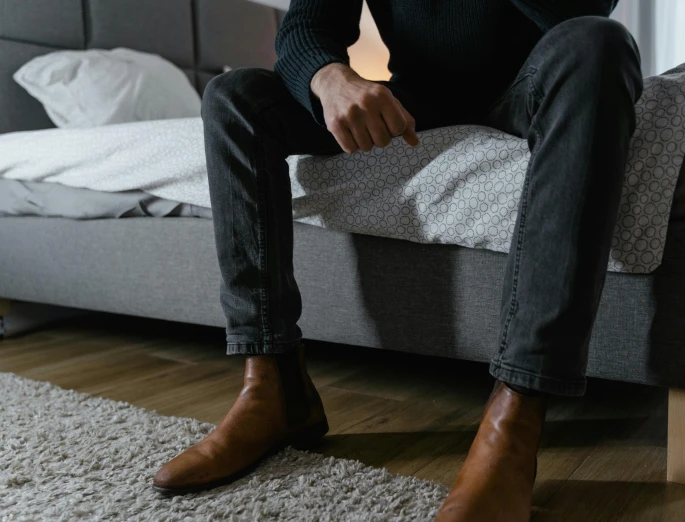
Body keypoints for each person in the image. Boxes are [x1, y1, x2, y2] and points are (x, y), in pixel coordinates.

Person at [153, 1, 642, 519]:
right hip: (415, 98)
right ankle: (273, 388)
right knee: (235, 97)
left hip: (530, 84)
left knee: (598, 41)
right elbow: (305, 26)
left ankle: (518, 415)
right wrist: (330, 77)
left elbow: (582, 9)